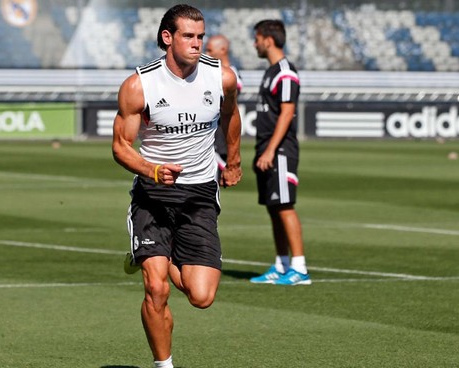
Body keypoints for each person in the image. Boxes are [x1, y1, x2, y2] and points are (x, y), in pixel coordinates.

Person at [111, 4, 242, 368]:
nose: (197, 43)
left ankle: (149, 256)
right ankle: (163, 365)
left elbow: (231, 116)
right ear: (168, 38)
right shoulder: (140, 85)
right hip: (153, 194)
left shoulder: (223, 78)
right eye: (188, 36)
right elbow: (121, 147)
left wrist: (233, 161)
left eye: (200, 36)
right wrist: (151, 170)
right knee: (157, 288)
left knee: (201, 296)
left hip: (200, 193)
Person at [249, 19, 310, 286]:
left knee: (285, 205)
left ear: (268, 40)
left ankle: (300, 268)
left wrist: (271, 150)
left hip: (280, 149)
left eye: (257, 38)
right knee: (274, 207)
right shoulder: (271, 71)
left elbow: (287, 113)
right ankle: (281, 264)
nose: (255, 44)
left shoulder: (285, 72)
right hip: (267, 148)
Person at [205, 34, 243, 180]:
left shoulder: (231, 75)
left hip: (220, 136)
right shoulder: (211, 72)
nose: (206, 54)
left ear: (222, 50)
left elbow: (227, 102)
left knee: (212, 182)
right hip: (210, 135)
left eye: (209, 50)